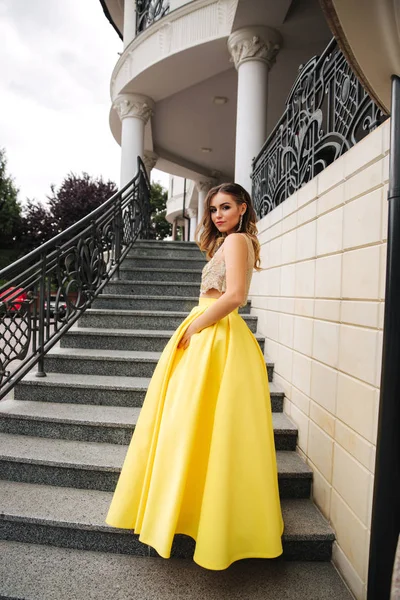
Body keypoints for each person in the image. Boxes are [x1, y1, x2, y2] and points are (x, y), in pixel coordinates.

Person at [105, 182, 284, 570]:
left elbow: (235, 296)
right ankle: (194, 512)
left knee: (194, 425)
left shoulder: (237, 241)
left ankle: (194, 515)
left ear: (242, 208)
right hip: (211, 332)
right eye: (213, 209)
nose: (218, 215)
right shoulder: (229, 242)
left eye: (225, 207)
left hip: (215, 334)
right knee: (195, 426)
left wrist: (195, 327)